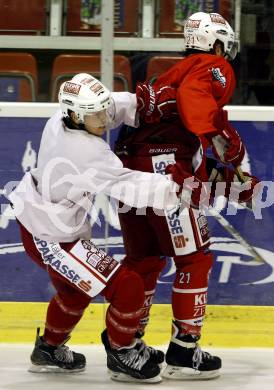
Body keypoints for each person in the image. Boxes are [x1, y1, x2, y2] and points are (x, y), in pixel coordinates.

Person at [9, 73, 186, 383]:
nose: (104, 119)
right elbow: (131, 186)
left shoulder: (63, 117)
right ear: (75, 115)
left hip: (46, 224)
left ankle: (48, 350)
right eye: (96, 114)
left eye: (103, 111)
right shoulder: (86, 152)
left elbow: (110, 107)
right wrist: (180, 186)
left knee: (73, 294)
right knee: (127, 286)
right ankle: (122, 352)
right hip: (51, 238)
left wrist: (140, 103)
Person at [115, 12, 259, 380]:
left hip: (131, 171)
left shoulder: (170, 73)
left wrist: (229, 180)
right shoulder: (213, 65)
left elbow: (177, 145)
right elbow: (197, 111)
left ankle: (127, 348)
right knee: (194, 259)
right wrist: (226, 142)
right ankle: (183, 350)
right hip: (166, 175)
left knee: (143, 260)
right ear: (216, 43)